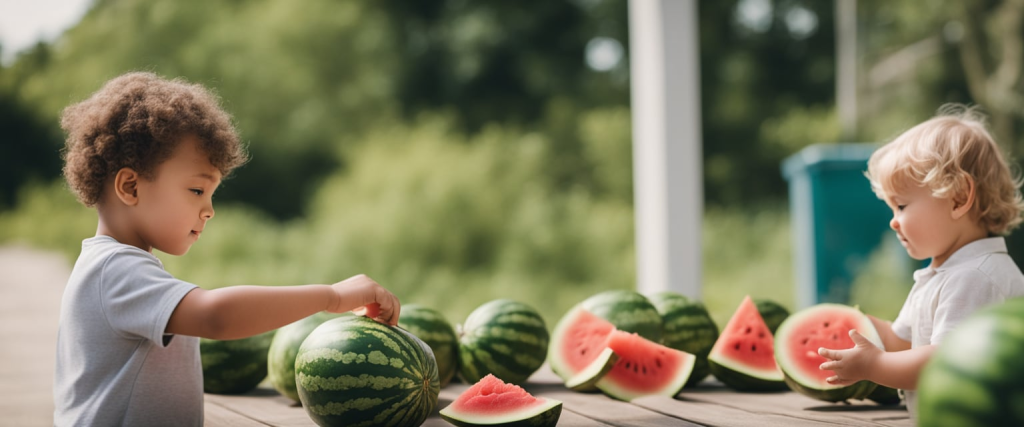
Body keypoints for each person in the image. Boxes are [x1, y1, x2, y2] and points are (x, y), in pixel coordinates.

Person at [53, 72, 401, 426]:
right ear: (130, 186)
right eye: (196, 191)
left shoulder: (115, 266)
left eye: (211, 194)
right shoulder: (114, 270)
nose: (209, 210)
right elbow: (215, 316)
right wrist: (331, 296)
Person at [817, 104, 1024, 418]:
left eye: (900, 206)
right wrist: (859, 326)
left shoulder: (975, 277)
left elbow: (946, 361)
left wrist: (873, 365)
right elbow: (901, 341)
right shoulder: (940, 273)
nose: (893, 221)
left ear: (957, 198)